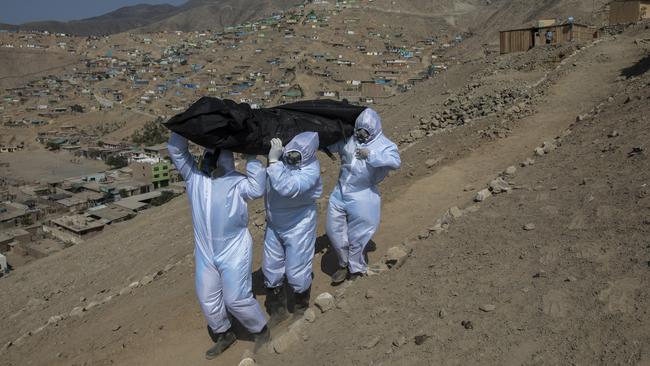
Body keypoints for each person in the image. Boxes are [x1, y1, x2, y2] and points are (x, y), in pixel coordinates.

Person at [167, 132, 269, 359]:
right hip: (205, 252)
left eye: (214, 155)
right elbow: (176, 150)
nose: (208, 159)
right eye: (207, 154)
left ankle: (261, 330)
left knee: (236, 298)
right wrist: (183, 128)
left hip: (233, 250)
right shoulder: (195, 178)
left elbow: (257, 189)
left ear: (225, 158)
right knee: (207, 297)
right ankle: (224, 332)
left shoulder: (237, 182)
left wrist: (252, 157)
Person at [325, 108, 401, 284]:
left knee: (359, 234)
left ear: (374, 129)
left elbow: (395, 161)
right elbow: (331, 144)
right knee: (333, 230)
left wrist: (372, 155)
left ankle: (356, 268)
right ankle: (344, 263)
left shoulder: (384, 145)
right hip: (339, 192)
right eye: (359, 130)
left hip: (363, 194)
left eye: (366, 132)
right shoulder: (349, 139)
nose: (361, 135)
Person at [263, 132, 322, 324]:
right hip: (275, 223)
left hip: (299, 224)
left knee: (297, 268)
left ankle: (300, 307)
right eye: (290, 153)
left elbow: (287, 188)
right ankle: (278, 309)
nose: (291, 158)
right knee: (271, 267)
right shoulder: (283, 161)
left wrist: (273, 162)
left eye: (297, 155)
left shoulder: (311, 171)